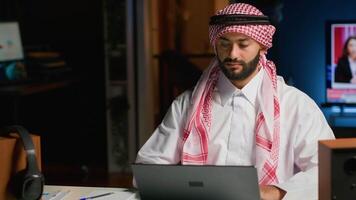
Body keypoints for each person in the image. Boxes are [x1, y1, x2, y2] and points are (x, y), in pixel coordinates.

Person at [135, 3, 335, 200]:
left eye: (243, 44)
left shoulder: (296, 106)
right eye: (224, 43)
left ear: (263, 46)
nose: (232, 54)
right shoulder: (187, 105)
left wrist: (274, 192)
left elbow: (328, 170)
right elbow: (148, 168)